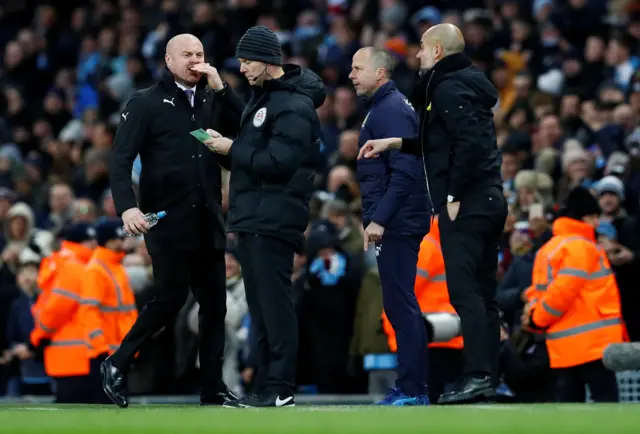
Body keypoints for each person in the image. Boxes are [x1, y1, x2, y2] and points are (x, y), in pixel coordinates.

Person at [357, 24, 508, 404]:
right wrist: (396, 142)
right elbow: (441, 141)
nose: (418, 54)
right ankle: (489, 377)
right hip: (488, 199)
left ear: (438, 51)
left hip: (468, 202)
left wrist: (454, 193)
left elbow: (468, 143)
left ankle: (477, 375)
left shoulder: (447, 86)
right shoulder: (463, 83)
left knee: (467, 293)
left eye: (423, 48)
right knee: (483, 293)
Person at [103, 33, 245, 408]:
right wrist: (127, 208)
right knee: (170, 298)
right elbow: (119, 160)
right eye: (187, 54)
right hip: (165, 218)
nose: (195, 60)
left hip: (209, 218)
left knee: (215, 306)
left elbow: (246, 134)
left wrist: (223, 87)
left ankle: (213, 387)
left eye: (200, 53)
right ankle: (117, 363)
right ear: (168, 60)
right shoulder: (146, 102)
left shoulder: (212, 98)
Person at [203, 25, 325, 408]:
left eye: (246, 61)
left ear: (268, 61)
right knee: (259, 308)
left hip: (274, 217)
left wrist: (231, 148)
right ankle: (265, 385)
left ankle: (282, 386)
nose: (242, 68)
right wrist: (220, 148)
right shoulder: (266, 100)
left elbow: (278, 163)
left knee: (274, 304)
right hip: (253, 215)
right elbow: (253, 154)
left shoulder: (294, 106)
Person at [349, 47, 430, 405]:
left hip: (397, 220)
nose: (351, 75)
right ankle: (411, 387)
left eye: (357, 68)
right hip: (397, 217)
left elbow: (406, 170)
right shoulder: (384, 108)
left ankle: (413, 390)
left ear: (379, 73)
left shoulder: (391, 110)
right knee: (398, 304)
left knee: (400, 305)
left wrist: (380, 219)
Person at [522, 187, 624, 403]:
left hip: (562, 345)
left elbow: (537, 292)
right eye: (594, 217)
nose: (597, 223)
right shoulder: (582, 246)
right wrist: (538, 318)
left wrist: (534, 317)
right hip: (593, 346)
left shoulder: (549, 248)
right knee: (608, 408)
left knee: (569, 411)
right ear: (584, 217)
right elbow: (564, 291)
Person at [19, 223, 97, 403]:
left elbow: (54, 311)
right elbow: (57, 309)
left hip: (71, 355)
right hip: (76, 356)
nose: (93, 245)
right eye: (89, 241)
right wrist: (37, 339)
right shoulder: (76, 266)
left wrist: (36, 339)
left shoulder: (69, 265)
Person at [81, 218, 138, 404]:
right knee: (106, 404)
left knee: (117, 403)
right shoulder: (96, 270)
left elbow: (127, 311)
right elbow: (89, 311)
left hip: (118, 349)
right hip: (105, 352)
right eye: (118, 239)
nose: (122, 242)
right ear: (108, 241)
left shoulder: (116, 267)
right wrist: (99, 347)